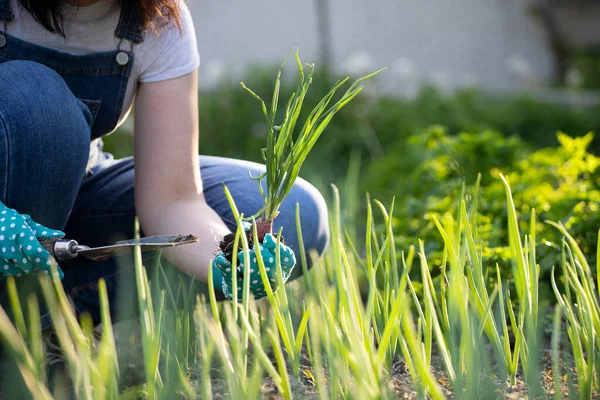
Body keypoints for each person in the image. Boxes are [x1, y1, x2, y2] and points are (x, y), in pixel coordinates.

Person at [0, 0, 329, 327]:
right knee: (39, 103)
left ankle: (49, 321)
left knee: (299, 213)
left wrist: (226, 262)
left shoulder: (159, 20)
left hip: (78, 187)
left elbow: (173, 200)